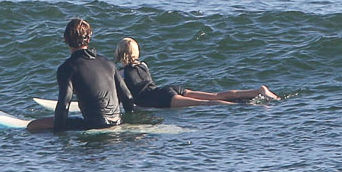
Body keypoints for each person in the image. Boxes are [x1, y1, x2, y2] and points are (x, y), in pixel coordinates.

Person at [26, 19, 135, 132]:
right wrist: (128, 119)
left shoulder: (67, 68)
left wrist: (59, 134)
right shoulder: (108, 63)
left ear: (65, 39)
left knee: (33, 126)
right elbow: (128, 97)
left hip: (94, 125)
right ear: (88, 39)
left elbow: (64, 105)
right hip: (117, 122)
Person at [113, 37, 280, 109]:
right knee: (214, 95)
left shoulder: (121, 73)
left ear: (120, 53)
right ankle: (258, 91)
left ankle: (241, 105)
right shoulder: (143, 65)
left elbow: (127, 98)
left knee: (204, 104)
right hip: (168, 89)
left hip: (160, 98)